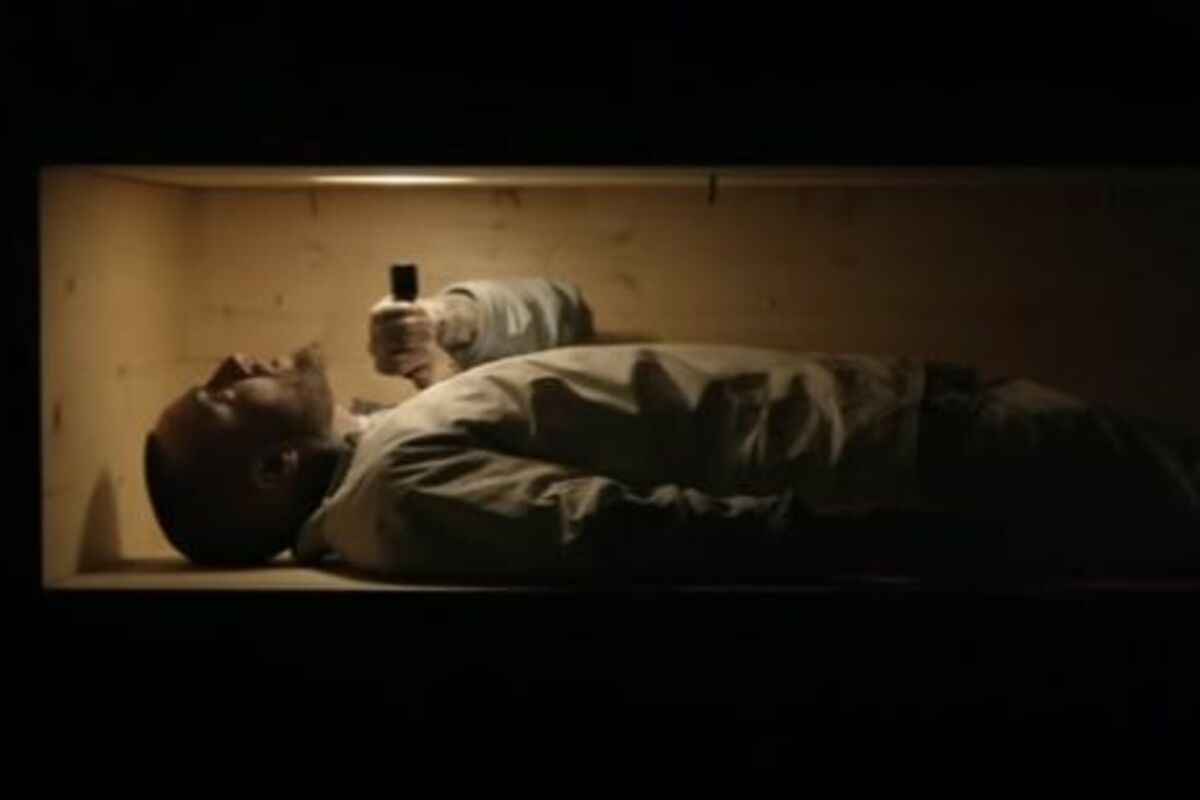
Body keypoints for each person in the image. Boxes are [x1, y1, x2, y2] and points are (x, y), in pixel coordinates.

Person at [144, 276, 1200, 583]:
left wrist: (454, 325)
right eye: (218, 397)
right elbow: (620, 526)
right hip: (912, 458)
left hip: (910, 430)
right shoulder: (399, 489)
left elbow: (562, 315)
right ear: (272, 468)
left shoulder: (390, 456)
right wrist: (896, 538)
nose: (232, 362)